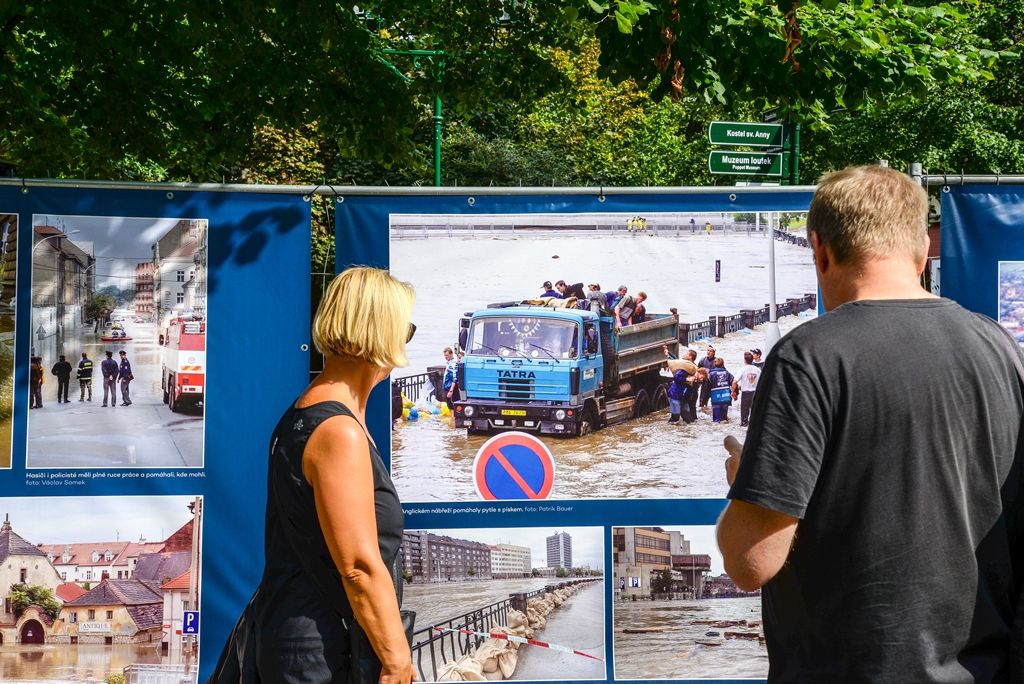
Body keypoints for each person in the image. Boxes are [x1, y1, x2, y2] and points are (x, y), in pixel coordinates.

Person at [716, 165, 1024, 682]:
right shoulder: (999, 349)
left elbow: (751, 563)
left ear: (820, 250)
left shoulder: (807, 357)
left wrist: (745, 483)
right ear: (923, 248)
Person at [212, 266, 416, 684]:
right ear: (381, 333)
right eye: (405, 329)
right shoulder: (337, 431)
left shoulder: (313, 417)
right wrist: (397, 661)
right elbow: (358, 565)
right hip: (317, 653)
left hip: (307, 639)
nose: (405, 342)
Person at [731, 351, 761, 427]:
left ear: (745, 360)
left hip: (746, 394)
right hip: (755, 393)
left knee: (744, 416)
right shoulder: (758, 370)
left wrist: (733, 391)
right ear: (752, 360)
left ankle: (744, 428)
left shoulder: (742, 369)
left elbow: (734, 382)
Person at [706, 357, 733, 422]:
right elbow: (733, 382)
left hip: (715, 398)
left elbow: (707, 386)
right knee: (724, 419)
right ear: (723, 364)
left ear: (714, 364)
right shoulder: (727, 373)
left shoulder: (711, 374)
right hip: (726, 396)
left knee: (716, 420)